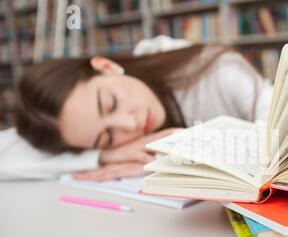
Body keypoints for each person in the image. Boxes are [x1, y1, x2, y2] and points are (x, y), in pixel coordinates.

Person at [0, 36, 273, 181]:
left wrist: (186, 153)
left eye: (111, 104)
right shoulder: (111, 141)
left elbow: (286, 141)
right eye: (107, 137)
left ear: (106, 67)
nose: (129, 125)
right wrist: (106, 156)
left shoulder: (215, 69)